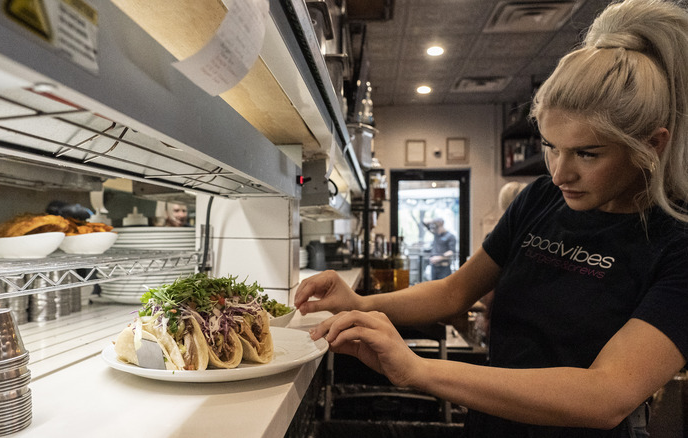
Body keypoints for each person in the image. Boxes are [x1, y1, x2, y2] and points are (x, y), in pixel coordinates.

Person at [294, 0, 688, 436]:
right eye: (551, 146)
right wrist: (360, 305)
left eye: (587, 154)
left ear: (651, 145)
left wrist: (418, 370)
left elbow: (605, 396)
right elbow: (454, 291)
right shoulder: (541, 199)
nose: (559, 172)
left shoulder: (677, 244)